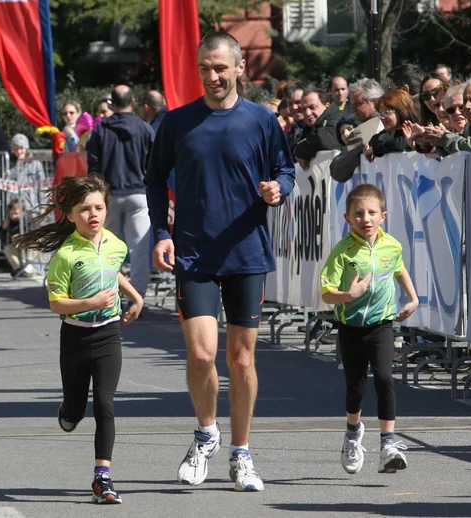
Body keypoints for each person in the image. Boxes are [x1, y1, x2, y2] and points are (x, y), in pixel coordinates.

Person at [144, 32, 296, 492]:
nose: (213, 77)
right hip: (194, 253)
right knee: (202, 353)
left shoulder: (261, 121)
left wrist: (279, 189)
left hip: (247, 253)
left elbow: (285, 170)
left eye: (220, 68)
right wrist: (161, 233)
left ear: (239, 67)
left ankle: (241, 453)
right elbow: (154, 181)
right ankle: (206, 433)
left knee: (242, 359)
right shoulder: (177, 122)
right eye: (205, 69)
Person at [15, 175, 143, 504]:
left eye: (99, 207)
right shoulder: (65, 255)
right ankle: (69, 411)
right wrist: (90, 303)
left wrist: (135, 297)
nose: (93, 214)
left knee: (105, 403)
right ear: (71, 215)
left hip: (108, 333)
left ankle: (102, 479)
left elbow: (112, 269)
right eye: (84, 209)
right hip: (74, 335)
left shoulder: (116, 243)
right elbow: (56, 303)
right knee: (77, 409)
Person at [320, 184, 418, 476]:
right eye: (358, 214)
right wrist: (348, 295)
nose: (366, 219)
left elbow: (398, 268)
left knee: (385, 378)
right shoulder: (342, 251)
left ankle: (388, 444)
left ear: (383, 216)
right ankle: (352, 433)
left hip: (382, 324)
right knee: (357, 387)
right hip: (351, 327)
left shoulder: (392, 245)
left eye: (372, 213)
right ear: (348, 218)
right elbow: (326, 293)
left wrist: (412, 298)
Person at [87, 85, 155, 299]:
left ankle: (108, 293)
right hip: (139, 192)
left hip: (109, 194)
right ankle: (138, 295)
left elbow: (93, 164)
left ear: (112, 104)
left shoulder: (101, 129)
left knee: (106, 248)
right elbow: (154, 163)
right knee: (140, 249)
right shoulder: (145, 128)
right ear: (133, 102)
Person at [365, 89, 417, 161]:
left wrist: (375, 148)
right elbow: (374, 140)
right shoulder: (391, 131)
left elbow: (399, 144)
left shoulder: (415, 127)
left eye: (386, 113)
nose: (382, 118)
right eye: (380, 114)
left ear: (401, 111)